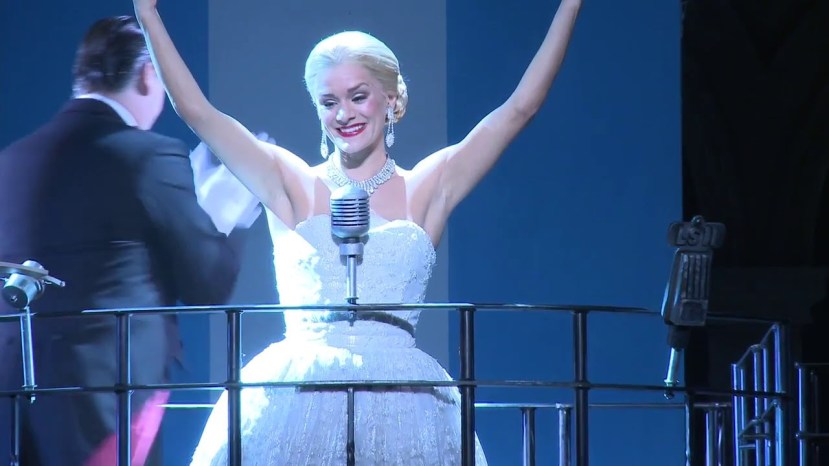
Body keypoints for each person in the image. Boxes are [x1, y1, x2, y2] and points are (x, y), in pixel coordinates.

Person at [133, 0, 582, 463]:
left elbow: (519, 109)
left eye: (358, 96)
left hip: (406, 404)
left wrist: (571, 5)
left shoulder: (426, 187)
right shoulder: (291, 183)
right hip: (296, 399)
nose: (344, 114)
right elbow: (198, 112)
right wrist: (148, 14)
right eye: (329, 102)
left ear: (391, 99)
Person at [0, 16, 257, 466]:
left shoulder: (13, 160)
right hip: (108, 398)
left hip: (16, 394)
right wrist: (225, 214)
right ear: (148, 74)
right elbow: (207, 284)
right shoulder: (149, 155)